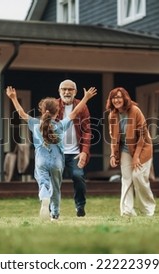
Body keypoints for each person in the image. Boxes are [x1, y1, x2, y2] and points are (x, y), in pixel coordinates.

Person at [6, 86, 97, 221]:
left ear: (42, 111)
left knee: (43, 182)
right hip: (57, 161)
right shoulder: (60, 126)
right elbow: (75, 112)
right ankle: (54, 214)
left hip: (41, 160)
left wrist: (13, 98)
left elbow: (21, 113)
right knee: (56, 187)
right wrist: (86, 98)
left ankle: (44, 197)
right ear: (57, 111)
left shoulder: (36, 124)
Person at [105, 87, 156, 217]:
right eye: (114, 98)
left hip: (143, 147)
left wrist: (136, 157)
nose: (116, 100)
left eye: (119, 97)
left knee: (138, 177)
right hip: (125, 149)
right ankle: (127, 211)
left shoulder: (135, 110)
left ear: (125, 98)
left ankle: (147, 209)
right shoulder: (112, 114)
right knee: (126, 178)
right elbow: (113, 137)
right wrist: (113, 154)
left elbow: (143, 135)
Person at [56, 79, 94, 217]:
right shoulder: (54, 105)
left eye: (70, 89)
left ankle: (80, 206)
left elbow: (87, 131)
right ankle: (53, 209)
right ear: (59, 91)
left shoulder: (82, 106)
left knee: (78, 176)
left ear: (75, 92)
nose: (66, 92)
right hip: (57, 152)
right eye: (63, 89)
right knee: (54, 180)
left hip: (75, 152)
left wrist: (84, 151)